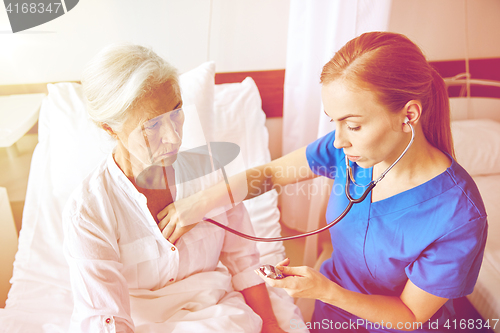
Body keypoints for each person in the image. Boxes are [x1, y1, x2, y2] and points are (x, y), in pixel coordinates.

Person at [158, 32, 488, 332]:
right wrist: (200, 202)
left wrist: (325, 289)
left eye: (354, 125)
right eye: (335, 122)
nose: (339, 140)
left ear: (409, 115)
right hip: (333, 317)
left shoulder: (458, 216)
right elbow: (270, 174)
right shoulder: (350, 152)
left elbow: (410, 315)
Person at [62, 43, 287, 333]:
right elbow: (107, 316)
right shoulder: (89, 211)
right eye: (152, 126)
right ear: (110, 128)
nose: (173, 136)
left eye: (176, 110)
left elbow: (244, 261)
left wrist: (269, 323)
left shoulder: (209, 176)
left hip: (219, 315)